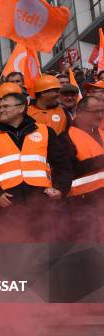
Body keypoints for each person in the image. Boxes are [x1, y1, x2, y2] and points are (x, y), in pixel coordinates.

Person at [0, 92, 72, 242]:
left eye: (6, 106)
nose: (1, 110)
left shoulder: (45, 131)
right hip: (7, 200)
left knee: (44, 244)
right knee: (10, 246)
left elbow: (63, 164)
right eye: (0, 107)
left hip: (41, 198)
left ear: (21, 108)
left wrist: (60, 189)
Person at [61, 96, 103, 241]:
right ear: (80, 112)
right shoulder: (66, 136)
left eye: (102, 111)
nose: (100, 115)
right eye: (95, 111)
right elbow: (67, 171)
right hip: (82, 203)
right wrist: (99, 160)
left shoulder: (102, 133)